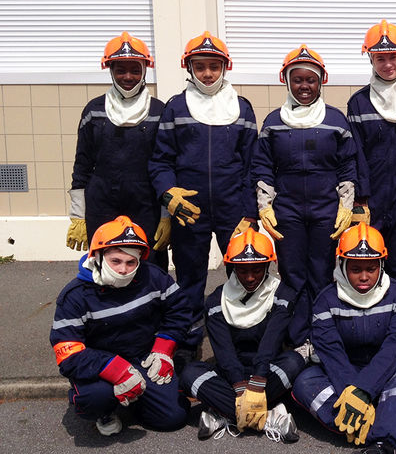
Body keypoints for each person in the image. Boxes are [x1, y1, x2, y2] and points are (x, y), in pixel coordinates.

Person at [149, 31, 259, 357]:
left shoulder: (241, 108)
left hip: (233, 211)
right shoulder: (176, 107)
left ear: (225, 67)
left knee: (243, 275)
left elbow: (253, 165)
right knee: (189, 281)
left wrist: (250, 214)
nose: (208, 73)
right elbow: (160, 161)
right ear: (189, 68)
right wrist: (168, 197)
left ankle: (245, 344)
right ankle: (188, 348)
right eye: (200, 66)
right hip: (188, 211)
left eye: (214, 66)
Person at [252, 44, 358, 347]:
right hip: (288, 211)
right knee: (293, 273)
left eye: (310, 80)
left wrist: (346, 204)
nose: (304, 86)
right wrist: (265, 204)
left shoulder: (336, 120)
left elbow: (347, 163)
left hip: (326, 209)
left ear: (321, 81)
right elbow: (262, 164)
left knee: (324, 272)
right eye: (297, 80)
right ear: (286, 81)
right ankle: (298, 338)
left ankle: (325, 334)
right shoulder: (273, 121)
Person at [292, 223, 396, 454]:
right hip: (343, 370)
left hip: (388, 367)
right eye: (356, 269)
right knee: (304, 383)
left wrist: (363, 390)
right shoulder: (326, 300)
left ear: (381, 265)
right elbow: (331, 352)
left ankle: (383, 444)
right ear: (343, 266)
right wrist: (352, 391)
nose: (364, 276)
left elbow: (395, 347)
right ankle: (386, 430)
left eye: (371, 268)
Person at [50, 216, 190, 436]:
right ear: (98, 255)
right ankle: (105, 411)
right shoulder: (75, 296)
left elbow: (180, 311)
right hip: (100, 366)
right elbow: (68, 353)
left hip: (143, 357)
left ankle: (137, 400)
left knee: (174, 418)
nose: (124, 269)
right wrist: (115, 370)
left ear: (139, 261)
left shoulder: (154, 277)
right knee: (93, 398)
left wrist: (164, 350)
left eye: (131, 262)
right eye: (116, 261)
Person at [180, 228, 306, 443]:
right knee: (189, 373)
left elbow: (271, 342)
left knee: (295, 361)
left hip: (267, 372)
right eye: (242, 270)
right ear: (231, 267)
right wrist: (240, 387)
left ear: (268, 266)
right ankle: (267, 417)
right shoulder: (216, 299)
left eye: (257, 270)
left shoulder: (282, 293)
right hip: (230, 376)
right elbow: (224, 351)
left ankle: (223, 414)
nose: (249, 277)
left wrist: (257, 381)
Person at [66, 32, 169, 269]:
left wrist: (166, 215)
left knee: (150, 265)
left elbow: (166, 166)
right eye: (120, 70)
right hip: (101, 202)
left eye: (135, 69)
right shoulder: (94, 110)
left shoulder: (159, 111)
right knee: (105, 261)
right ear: (110, 70)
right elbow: (81, 165)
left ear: (145, 70)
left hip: (147, 203)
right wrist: (78, 216)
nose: (128, 76)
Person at [347, 19, 396, 284]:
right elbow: (355, 153)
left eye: (394, 57)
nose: (388, 64)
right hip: (374, 196)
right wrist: (360, 199)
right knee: (368, 258)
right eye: (381, 58)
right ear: (371, 60)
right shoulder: (358, 102)